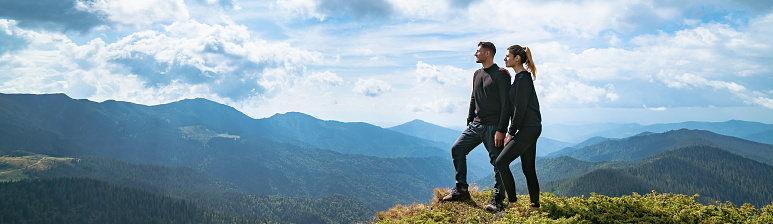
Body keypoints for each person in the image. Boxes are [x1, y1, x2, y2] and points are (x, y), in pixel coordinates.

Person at [442, 42, 512, 212]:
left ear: (488, 53)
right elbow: (474, 97)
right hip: (475, 125)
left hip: (493, 127)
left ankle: (498, 199)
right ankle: (462, 190)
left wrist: (501, 130)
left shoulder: (501, 75)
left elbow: (506, 105)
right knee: (457, 149)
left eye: (478, 51)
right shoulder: (477, 74)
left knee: (498, 162)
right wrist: (469, 121)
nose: (475, 53)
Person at [495, 45, 542, 215]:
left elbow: (519, 109)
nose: (505, 58)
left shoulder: (523, 79)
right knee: (528, 169)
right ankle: (535, 207)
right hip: (531, 127)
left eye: (508, 56)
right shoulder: (520, 78)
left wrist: (510, 132)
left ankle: (513, 204)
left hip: (528, 128)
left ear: (517, 58)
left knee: (501, 162)